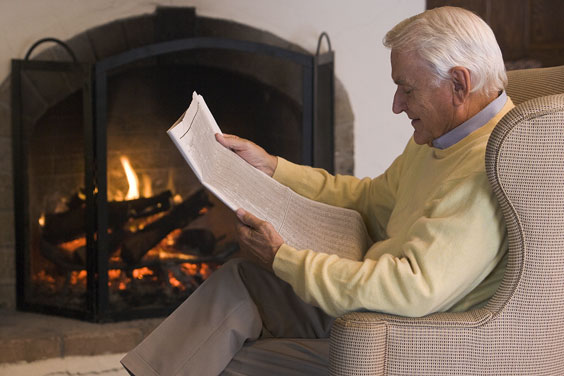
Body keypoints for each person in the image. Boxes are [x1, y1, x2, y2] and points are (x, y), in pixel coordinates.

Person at [121, 6, 513, 375]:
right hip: (364, 305)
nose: (397, 105)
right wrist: (273, 168)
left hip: (400, 337)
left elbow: (411, 289)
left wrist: (283, 258)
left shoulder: (488, 165)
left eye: (407, 89)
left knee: (221, 361)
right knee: (241, 280)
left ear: (459, 84)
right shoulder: (442, 137)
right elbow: (370, 199)